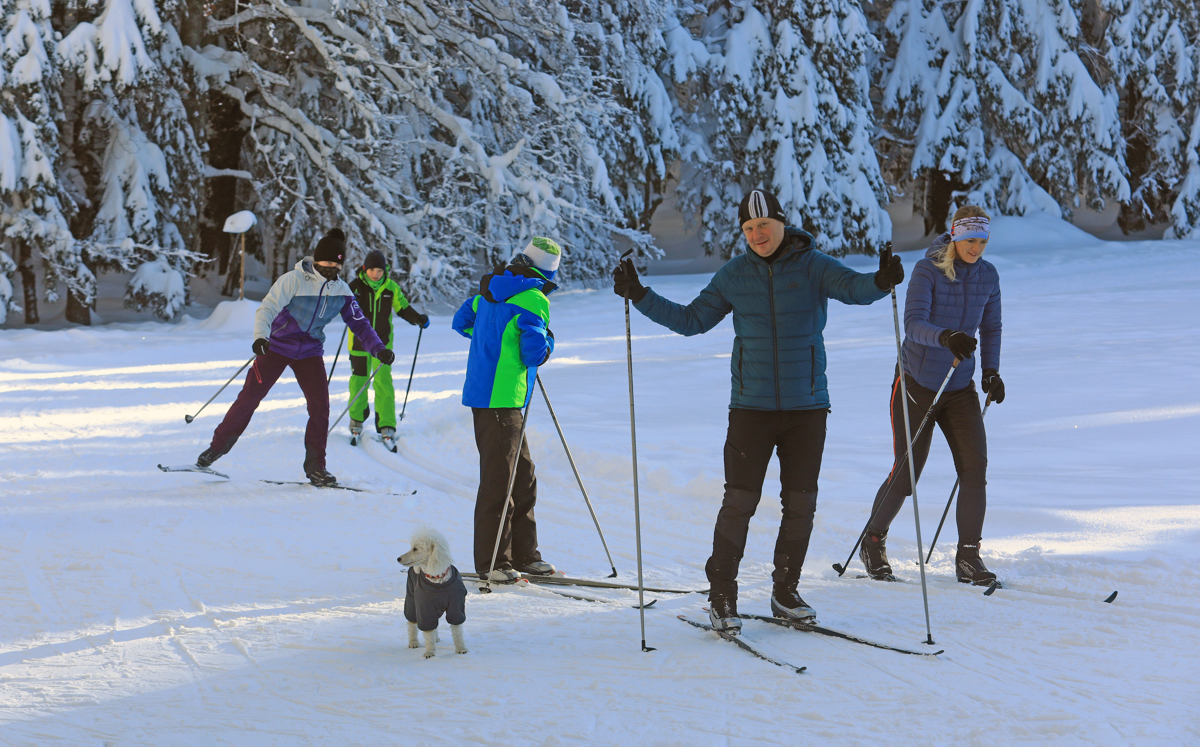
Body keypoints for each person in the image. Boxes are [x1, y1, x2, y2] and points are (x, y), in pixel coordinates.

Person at [612, 189, 903, 632]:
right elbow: (692, 320)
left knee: (801, 504)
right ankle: (722, 595)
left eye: (763, 225)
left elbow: (853, 288)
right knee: (739, 502)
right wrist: (641, 295)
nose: (756, 235)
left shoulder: (813, 265)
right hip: (751, 408)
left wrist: (881, 281)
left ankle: (785, 592)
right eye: (748, 229)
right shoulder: (734, 274)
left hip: (807, 407)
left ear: (782, 223)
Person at [859, 205, 1003, 586]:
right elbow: (913, 324)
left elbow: (991, 327)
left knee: (974, 470)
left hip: (959, 387)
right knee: (907, 474)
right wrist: (946, 337)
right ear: (954, 235)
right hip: (915, 384)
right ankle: (872, 541)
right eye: (970, 239)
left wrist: (991, 371)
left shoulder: (988, 275)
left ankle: (968, 557)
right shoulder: (928, 271)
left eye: (983, 240)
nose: (977, 247)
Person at [197, 229, 395, 486]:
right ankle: (217, 447)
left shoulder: (343, 290)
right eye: (328, 262)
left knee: (320, 407)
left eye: (338, 263)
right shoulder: (293, 280)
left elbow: (360, 324)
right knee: (249, 397)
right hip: (277, 347)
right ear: (317, 259)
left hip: (310, 352)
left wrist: (378, 348)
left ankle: (316, 468)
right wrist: (260, 337)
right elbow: (267, 307)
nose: (333, 267)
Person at [452, 238, 560, 583]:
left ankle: (525, 555)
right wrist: (549, 342)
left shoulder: (488, 291)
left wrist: (493, 339)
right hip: (504, 398)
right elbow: (533, 353)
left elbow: (461, 322)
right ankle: (493, 562)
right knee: (500, 480)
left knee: (522, 476)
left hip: (487, 397)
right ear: (545, 272)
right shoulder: (534, 298)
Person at [346, 250, 430, 443]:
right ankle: (357, 420)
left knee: (383, 382)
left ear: (385, 271)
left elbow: (402, 307)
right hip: (358, 342)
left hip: (382, 345)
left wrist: (417, 318)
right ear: (365, 269)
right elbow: (342, 307)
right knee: (358, 381)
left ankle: (387, 424)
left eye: (379, 270)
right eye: (372, 270)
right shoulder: (355, 287)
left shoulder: (391, 287)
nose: (376, 274)